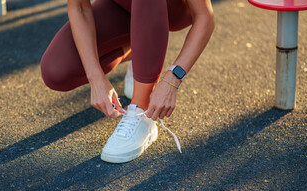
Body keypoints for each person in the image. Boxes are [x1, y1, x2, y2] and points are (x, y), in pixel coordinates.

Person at [40, 0, 215, 163]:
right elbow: (79, 7)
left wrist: (172, 79)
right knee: (57, 71)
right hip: (122, 5)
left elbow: (204, 17)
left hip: (172, 7)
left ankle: (142, 110)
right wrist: (96, 77)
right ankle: (141, 54)